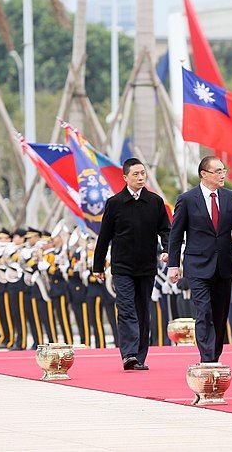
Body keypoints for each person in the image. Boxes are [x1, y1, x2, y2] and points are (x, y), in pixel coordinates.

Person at [167, 156, 232, 363]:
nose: (223, 175)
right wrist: (173, 265)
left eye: (223, 170)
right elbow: (176, 234)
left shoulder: (230, 197)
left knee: (220, 315)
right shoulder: (187, 199)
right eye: (218, 171)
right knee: (203, 311)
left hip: (224, 264)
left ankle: (215, 354)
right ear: (204, 174)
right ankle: (207, 359)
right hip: (197, 265)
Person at [93, 158, 171, 370]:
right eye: (135, 174)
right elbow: (104, 236)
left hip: (146, 267)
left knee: (143, 310)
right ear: (125, 177)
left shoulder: (155, 202)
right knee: (126, 308)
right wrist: (98, 266)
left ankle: (140, 356)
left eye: (143, 173)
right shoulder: (115, 203)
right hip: (122, 267)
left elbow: (166, 230)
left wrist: (167, 250)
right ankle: (129, 355)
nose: (140, 178)